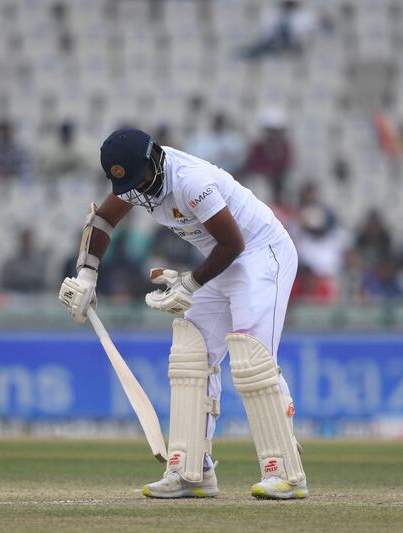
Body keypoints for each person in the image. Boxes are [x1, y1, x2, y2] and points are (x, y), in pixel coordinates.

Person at [58, 128, 307, 500]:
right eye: (128, 185)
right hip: (221, 261)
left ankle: (285, 471)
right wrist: (87, 275)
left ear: (155, 158)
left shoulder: (190, 182)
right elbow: (103, 221)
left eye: (142, 179)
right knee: (190, 355)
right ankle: (192, 470)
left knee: (253, 359)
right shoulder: (134, 180)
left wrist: (190, 285)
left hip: (260, 253)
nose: (138, 191)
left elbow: (233, 242)